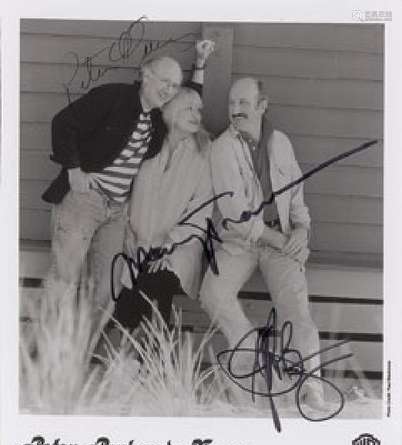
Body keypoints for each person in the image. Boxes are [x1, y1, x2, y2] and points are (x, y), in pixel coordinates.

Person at [42, 41, 215, 330]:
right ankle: (47, 362)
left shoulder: (158, 120)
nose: (169, 90)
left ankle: (78, 356)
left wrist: (199, 64)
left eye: (174, 85)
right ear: (145, 75)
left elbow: (188, 102)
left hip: (117, 211)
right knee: (65, 278)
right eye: (164, 82)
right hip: (85, 201)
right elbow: (62, 123)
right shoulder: (112, 97)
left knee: (107, 289)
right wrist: (73, 169)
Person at [199, 77, 325, 409]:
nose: (235, 110)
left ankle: (311, 387)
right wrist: (282, 240)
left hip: (281, 238)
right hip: (239, 243)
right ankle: (252, 351)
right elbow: (235, 213)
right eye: (231, 104)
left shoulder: (280, 142)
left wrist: (301, 231)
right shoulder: (221, 148)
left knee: (296, 307)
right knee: (212, 293)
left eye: (243, 103)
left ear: (262, 104)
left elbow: (297, 194)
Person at [111, 86, 213, 338]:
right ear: (169, 110)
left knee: (157, 277)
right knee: (135, 277)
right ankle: (144, 360)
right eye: (188, 108)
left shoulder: (204, 152)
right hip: (134, 240)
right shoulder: (147, 144)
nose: (196, 114)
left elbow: (202, 208)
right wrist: (129, 238)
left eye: (198, 109)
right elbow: (123, 192)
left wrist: (169, 244)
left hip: (178, 246)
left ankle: (136, 357)